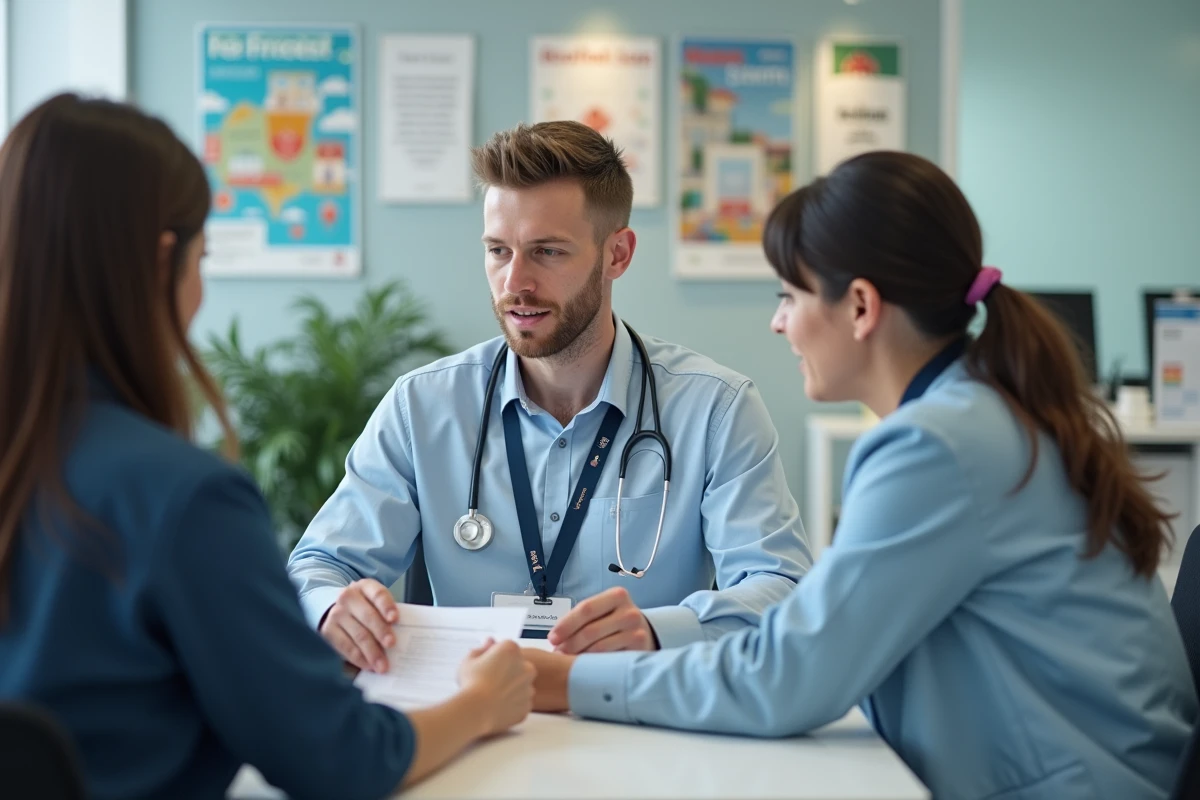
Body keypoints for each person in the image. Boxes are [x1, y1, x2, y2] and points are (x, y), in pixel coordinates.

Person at [522, 151, 1198, 800]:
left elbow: (790, 680)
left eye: (790, 295)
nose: (779, 321)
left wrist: (567, 682)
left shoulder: (939, 446)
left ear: (862, 307)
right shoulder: (982, 412)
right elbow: (815, 637)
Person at [0, 94, 535, 800]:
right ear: (165, 261)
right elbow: (340, 760)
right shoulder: (183, 498)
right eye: (203, 256)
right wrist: (480, 705)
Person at [287, 120, 811, 671]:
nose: (516, 281)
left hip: (639, 719)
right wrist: (334, 610)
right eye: (498, 250)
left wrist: (659, 631)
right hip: (469, 722)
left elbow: (780, 587)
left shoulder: (715, 411)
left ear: (618, 255)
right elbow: (317, 567)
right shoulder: (423, 407)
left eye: (548, 252)